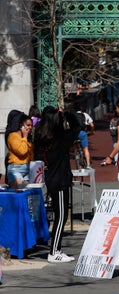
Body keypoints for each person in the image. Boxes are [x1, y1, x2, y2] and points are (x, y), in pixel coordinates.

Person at [34, 107, 81, 263]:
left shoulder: (40, 137)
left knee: (59, 214)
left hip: (50, 178)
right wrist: (66, 113)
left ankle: (56, 249)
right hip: (60, 179)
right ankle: (54, 251)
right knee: (61, 216)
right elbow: (77, 126)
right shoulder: (60, 138)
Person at [6, 113, 34, 186]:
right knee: (19, 191)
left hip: (27, 168)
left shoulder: (28, 138)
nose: (30, 127)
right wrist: (25, 137)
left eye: (31, 125)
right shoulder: (13, 136)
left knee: (26, 193)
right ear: (21, 125)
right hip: (16, 169)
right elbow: (22, 151)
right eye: (28, 125)